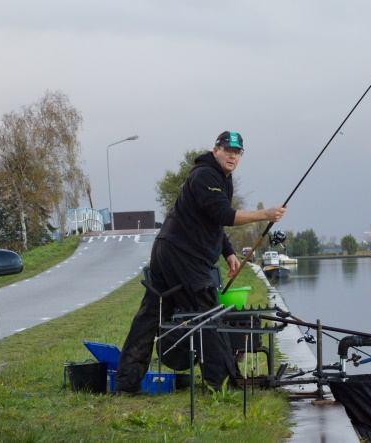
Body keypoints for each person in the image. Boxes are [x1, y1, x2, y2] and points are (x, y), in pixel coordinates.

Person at [116, 130, 285, 393]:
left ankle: (126, 383)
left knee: (150, 316)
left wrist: (228, 252)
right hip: (182, 255)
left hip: (168, 250)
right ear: (215, 149)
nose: (232, 156)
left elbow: (212, 221)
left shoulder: (221, 178)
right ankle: (221, 384)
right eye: (227, 150)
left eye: (237, 152)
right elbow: (223, 214)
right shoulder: (205, 175)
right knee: (208, 313)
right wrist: (264, 214)